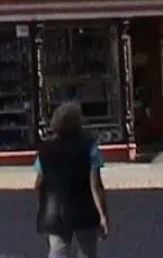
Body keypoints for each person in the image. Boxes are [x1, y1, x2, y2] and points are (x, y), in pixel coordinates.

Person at [33, 101, 110, 257]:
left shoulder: (45, 150)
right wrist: (103, 215)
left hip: (56, 211)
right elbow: (96, 186)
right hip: (84, 209)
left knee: (57, 252)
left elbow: (39, 183)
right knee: (87, 253)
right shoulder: (89, 148)